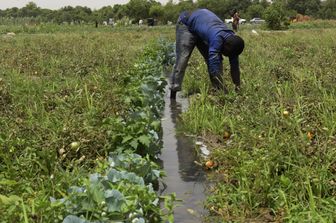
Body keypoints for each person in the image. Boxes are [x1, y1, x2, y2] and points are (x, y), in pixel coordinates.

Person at [170, 9, 245, 99]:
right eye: (226, 54)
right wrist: (222, 86)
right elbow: (214, 61)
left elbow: (234, 66)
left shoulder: (233, 42)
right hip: (186, 23)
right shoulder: (217, 38)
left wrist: (237, 86)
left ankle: (217, 90)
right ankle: (173, 93)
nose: (226, 56)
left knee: (216, 59)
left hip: (202, 25)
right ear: (225, 46)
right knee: (182, 59)